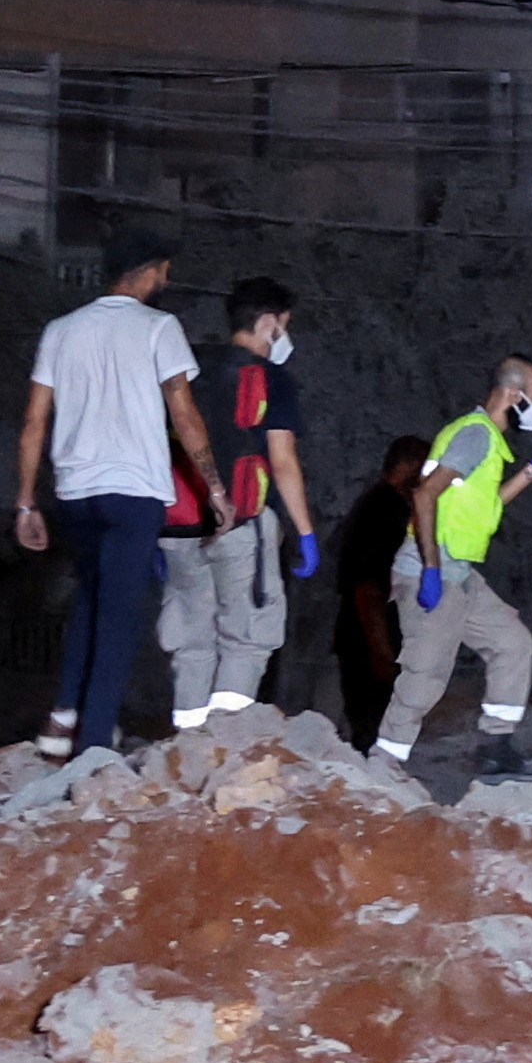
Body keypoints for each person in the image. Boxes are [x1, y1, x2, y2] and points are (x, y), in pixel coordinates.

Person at [12, 249, 211, 761]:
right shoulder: (159, 327)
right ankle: (95, 747)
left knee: (93, 597)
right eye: (165, 269)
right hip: (135, 491)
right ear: (147, 270)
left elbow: (35, 420)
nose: (167, 278)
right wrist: (214, 487)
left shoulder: (61, 330)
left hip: (76, 493)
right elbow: (184, 415)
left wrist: (26, 501)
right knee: (120, 617)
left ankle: (62, 719)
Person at [375, 355, 532, 780]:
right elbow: (425, 496)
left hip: (459, 574)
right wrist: (431, 570)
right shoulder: (475, 435)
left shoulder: (487, 440)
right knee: (427, 672)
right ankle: (383, 764)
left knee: (513, 643)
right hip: (433, 569)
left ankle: (496, 751)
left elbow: (487, 504)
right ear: (514, 395)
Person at [157, 278, 317, 734]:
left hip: (178, 524)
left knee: (190, 636)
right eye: (285, 326)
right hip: (241, 522)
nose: (285, 336)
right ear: (269, 323)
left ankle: (186, 738)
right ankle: (227, 741)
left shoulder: (188, 367)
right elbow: (282, 463)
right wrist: (305, 532)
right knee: (248, 632)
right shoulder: (272, 378)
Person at [332, 435, 428, 746]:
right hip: (368, 635)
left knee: (374, 726)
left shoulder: (380, 504)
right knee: (375, 729)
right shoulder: (384, 511)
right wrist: (382, 650)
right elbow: (367, 586)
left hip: (367, 632)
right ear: (411, 466)